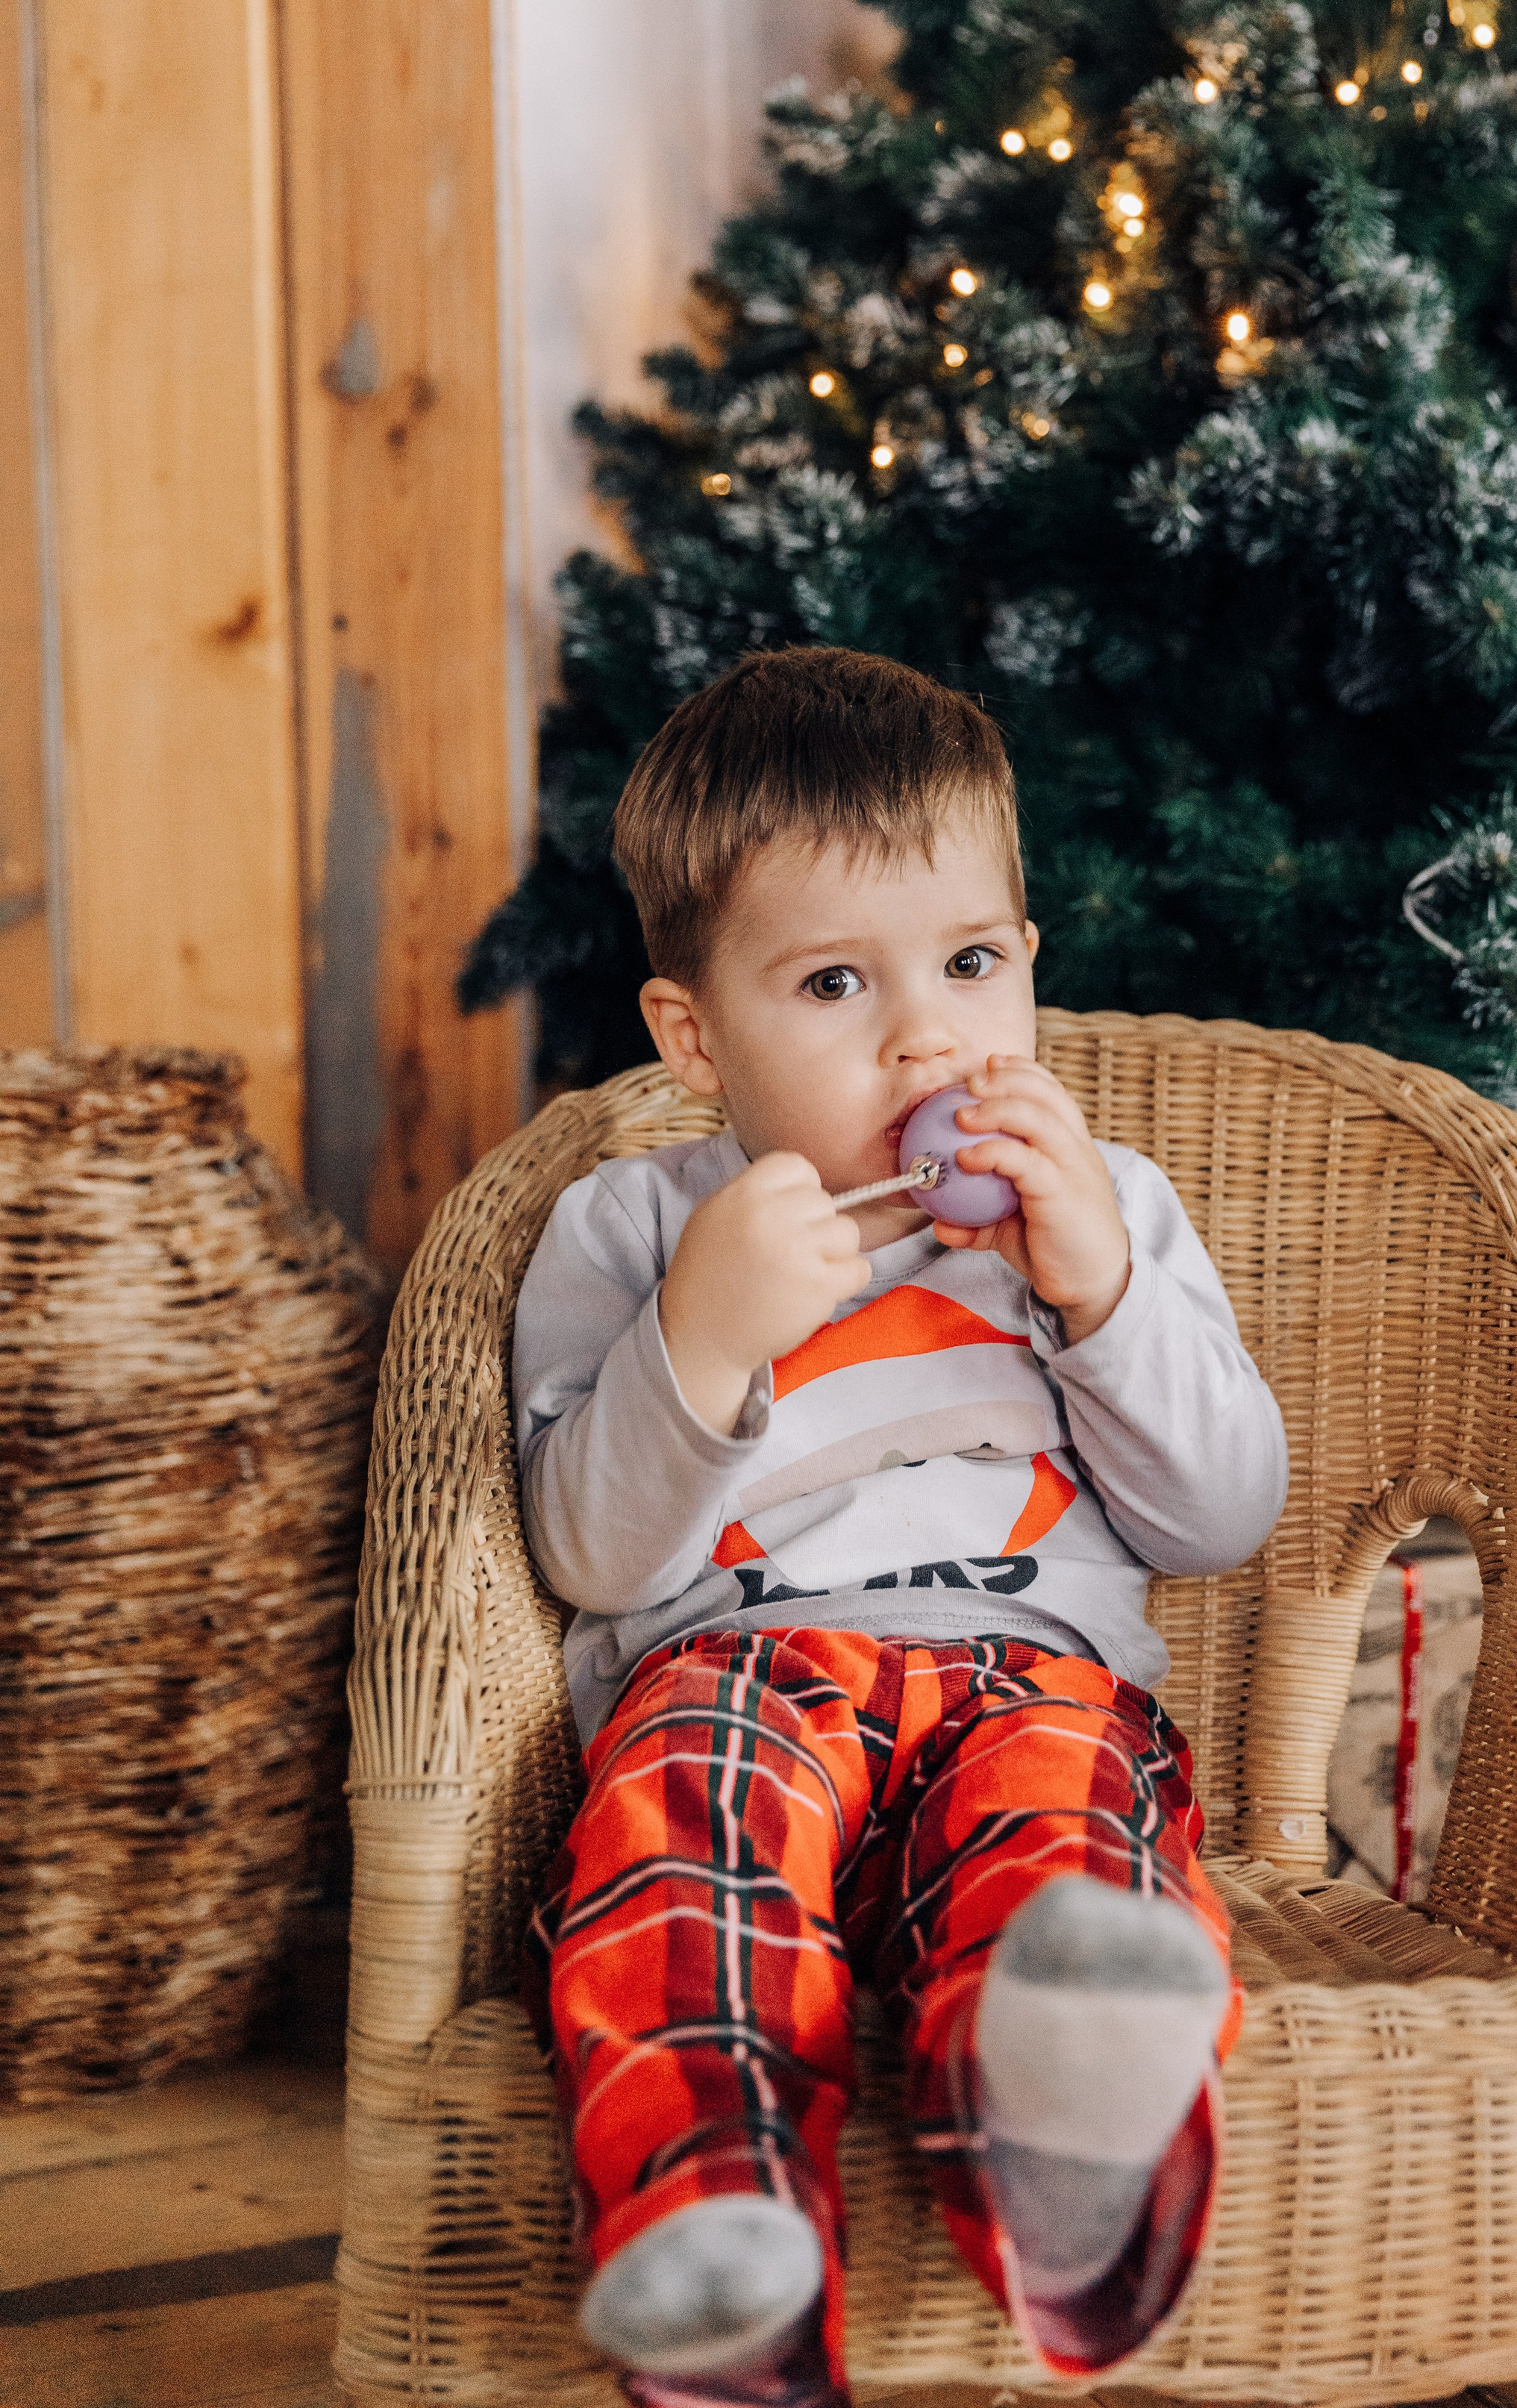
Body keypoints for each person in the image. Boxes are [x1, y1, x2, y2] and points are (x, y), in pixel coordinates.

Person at [514, 645, 1286, 2408]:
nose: (927, 1036)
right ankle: (714, 2246)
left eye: (967, 963)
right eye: (834, 983)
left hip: (1031, 1680)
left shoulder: (1101, 1213)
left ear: (1027, 963)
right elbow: (586, 1556)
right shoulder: (631, 1230)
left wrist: (1094, 1292)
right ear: (694, 1033)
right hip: (735, 1681)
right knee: (674, 1844)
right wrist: (698, 1338)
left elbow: (1220, 1513)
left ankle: (1071, 2153)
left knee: (1064, 1841)